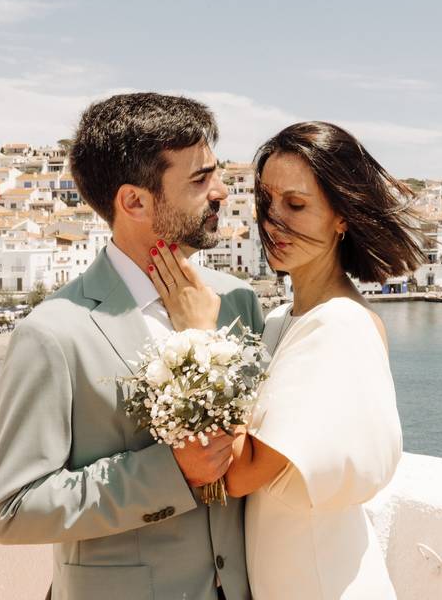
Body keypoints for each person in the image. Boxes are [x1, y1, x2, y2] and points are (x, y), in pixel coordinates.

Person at [0, 93, 263, 600]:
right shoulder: (54, 333)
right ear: (134, 201)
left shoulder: (239, 302)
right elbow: (12, 509)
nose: (221, 192)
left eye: (216, 174)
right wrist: (169, 472)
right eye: (200, 180)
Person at [147, 121, 426, 599]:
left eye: (296, 205)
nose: (274, 222)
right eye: (266, 203)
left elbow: (238, 473)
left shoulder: (338, 326)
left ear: (343, 216)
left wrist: (200, 336)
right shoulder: (281, 321)